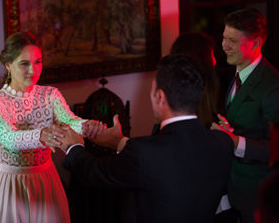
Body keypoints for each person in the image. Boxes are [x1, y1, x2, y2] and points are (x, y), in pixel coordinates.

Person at [50, 55, 234, 223]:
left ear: (160, 97)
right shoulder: (222, 143)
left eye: (152, 90)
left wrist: (73, 147)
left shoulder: (143, 152)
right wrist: (117, 141)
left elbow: (96, 172)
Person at [0, 31, 104, 223]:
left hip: (47, 182)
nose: (33, 70)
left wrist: (86, 125)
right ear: (8, 65)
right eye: (25, 64)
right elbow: (7, 137)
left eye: (38, 62)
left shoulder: (50, 94)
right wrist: (41, 135)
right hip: (12, 186)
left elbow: (69, 120)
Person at [211, 8, 279, 223]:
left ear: (256, 44)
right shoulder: (238, 72)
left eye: (232, 40)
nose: (224, 46)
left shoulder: (273, 86)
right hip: (233, 191)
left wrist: (235, 142)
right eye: (223, 38)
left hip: (257, 197)